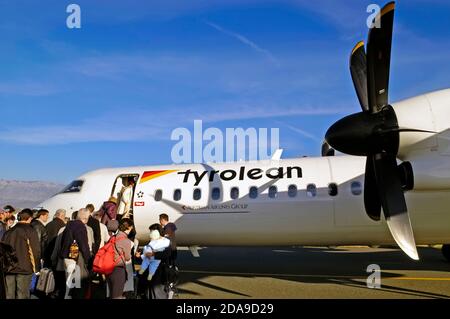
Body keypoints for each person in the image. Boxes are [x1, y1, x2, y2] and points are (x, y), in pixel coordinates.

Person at [2, 209, 40, 299]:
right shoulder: (30, 231)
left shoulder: (8, 232)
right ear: (30, 218)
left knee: (9, 295)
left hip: (9, 268)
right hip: (25, 268)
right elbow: (35, 250)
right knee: (22, 294)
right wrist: (36, 268)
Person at [58, 208, 92, 299]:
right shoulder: (80, 227)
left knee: (69, 286)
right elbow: (83, 245)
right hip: (75, 259)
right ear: (85, 218)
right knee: (75, 288)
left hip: (66, 257)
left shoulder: (69, 225)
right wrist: (88, 259)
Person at [136, 223, 172, 299]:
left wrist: (154, 254)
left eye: (151, 231)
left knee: (157, 291)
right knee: (149, 291)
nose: (150, 234)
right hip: (149, 271)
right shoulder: (152, 241)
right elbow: (147, 252)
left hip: (159, 271)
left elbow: (167, 254)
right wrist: (140, 255)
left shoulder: (166, 241)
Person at [105, 219, 133, 299]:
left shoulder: (112, 238)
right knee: (117, 295)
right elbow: (127, 258)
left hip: (108, 268)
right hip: (118, 269)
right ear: (129, 227)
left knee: (111, 293)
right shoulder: (126, 241)